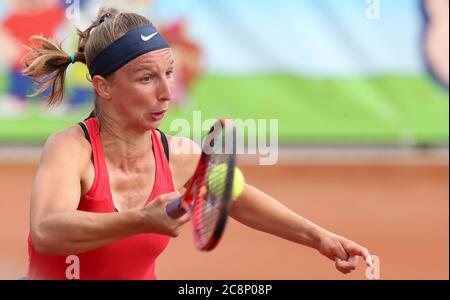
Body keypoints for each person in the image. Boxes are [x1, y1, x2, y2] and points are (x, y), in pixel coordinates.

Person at [23, 8, 372, 280]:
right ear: (103, 87)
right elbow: (47, 232)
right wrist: (141, 219)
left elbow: (235, 198)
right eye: (147, 78)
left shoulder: (180, 155)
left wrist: (319, 237)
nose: (166, 92)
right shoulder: (70, 148)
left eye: (169, 73)